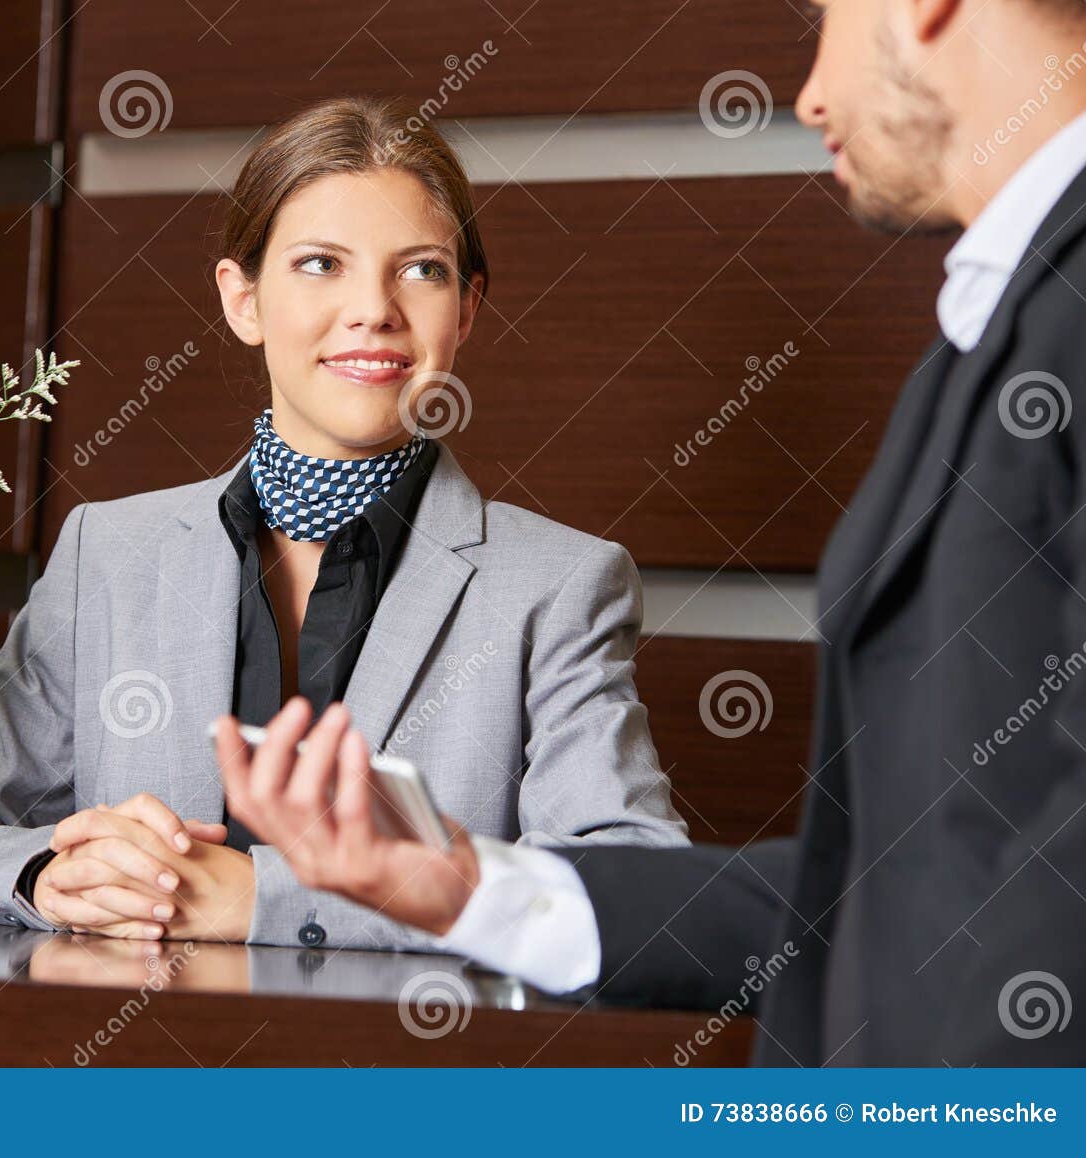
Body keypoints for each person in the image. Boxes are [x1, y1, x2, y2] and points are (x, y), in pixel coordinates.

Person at [218, 0, 1086, 1064]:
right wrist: (466, 885)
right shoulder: (989, 333)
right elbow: (882, 887)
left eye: (824, 17)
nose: (810, 92)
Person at [0, 97, 687, 950]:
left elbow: (633, 886)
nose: (373, 309)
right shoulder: (107, 556)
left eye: (422, 270)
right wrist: (48, 874)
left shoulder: (557, 584)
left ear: (466, 310)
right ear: (243, 299)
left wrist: (263, 897)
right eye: (322, 264)